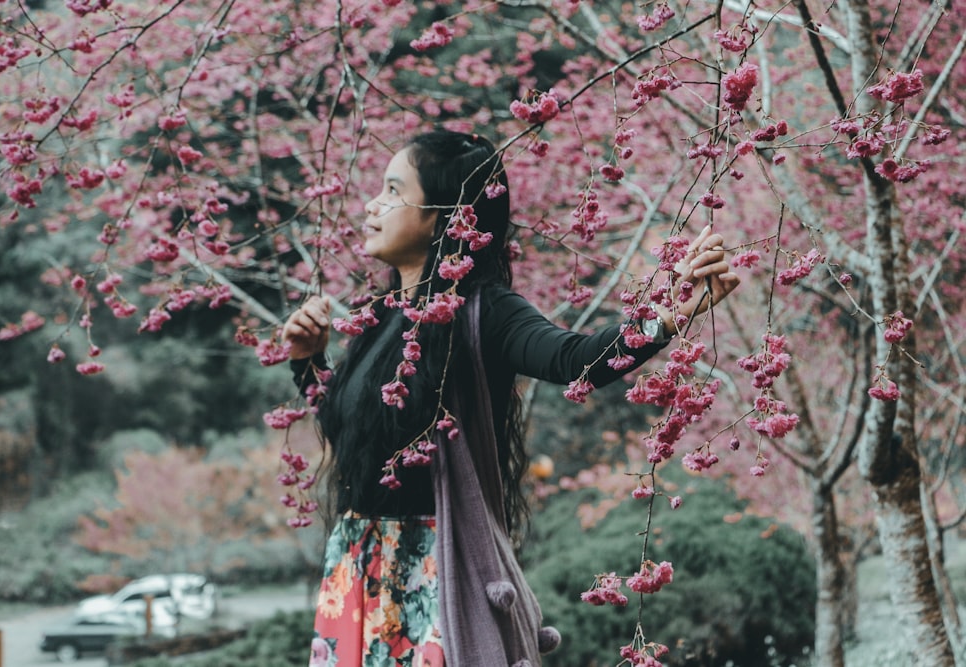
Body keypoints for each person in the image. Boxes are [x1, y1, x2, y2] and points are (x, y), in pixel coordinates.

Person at [282, 129, 740, 667]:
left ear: (443, 215)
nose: (371, 205)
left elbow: (575, 361)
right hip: (358, 568)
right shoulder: (377, 316)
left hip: (439, 570)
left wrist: (665, 318)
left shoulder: (484, 310)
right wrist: (308, 361)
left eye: (392, 190)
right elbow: (351, 432)